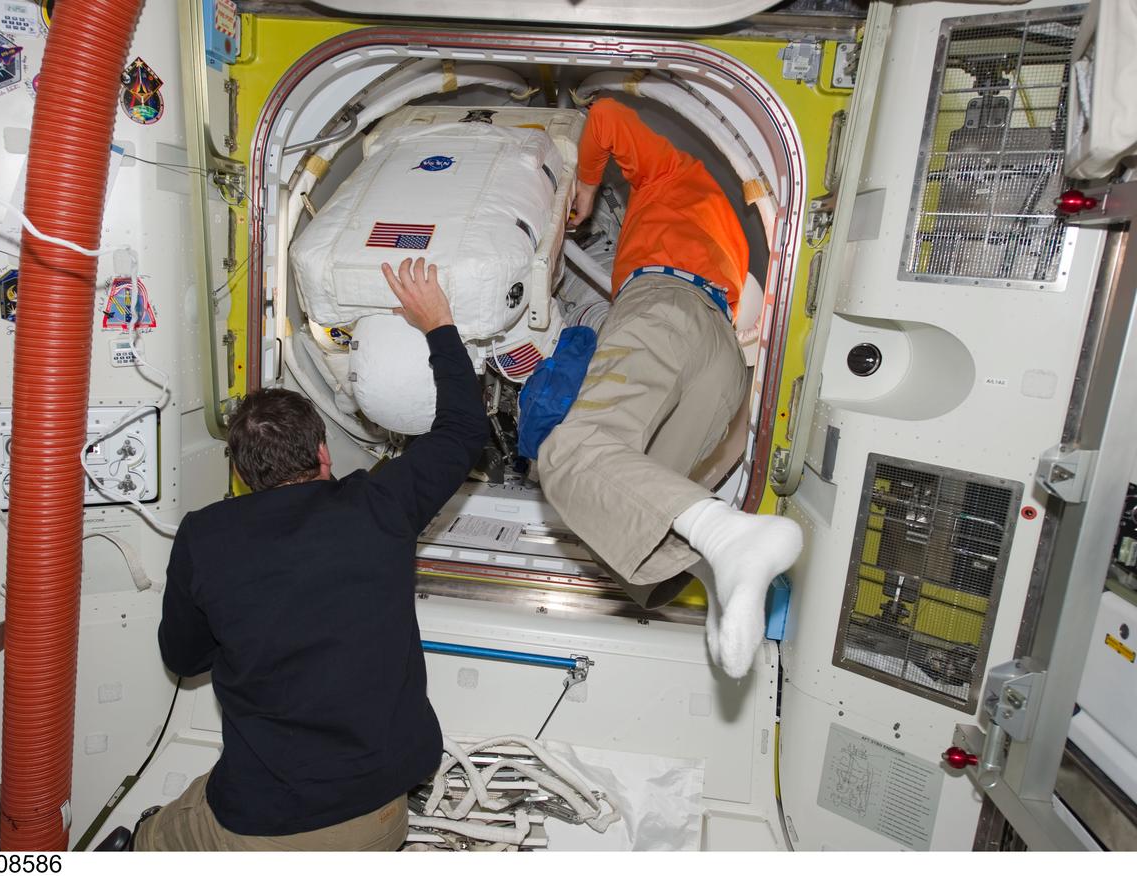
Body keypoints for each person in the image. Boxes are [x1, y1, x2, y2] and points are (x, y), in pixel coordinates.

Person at [135, 258, 489, 851]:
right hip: (380, 817)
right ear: (323, 455)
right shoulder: (381, 505)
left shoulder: (205, 537)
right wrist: (438, 324)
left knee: (152, 838)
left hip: (263, 823)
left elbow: (184, 657)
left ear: (243, 475)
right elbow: (462, 429)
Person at [538, 98, 802, 679]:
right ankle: (721, 571)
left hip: (665, 308)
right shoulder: (727, 236)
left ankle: (730, 539)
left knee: (572, 454)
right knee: (629, 517)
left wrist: (584, 184)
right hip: (721, 359)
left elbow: (604, 114)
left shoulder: (675, 173)